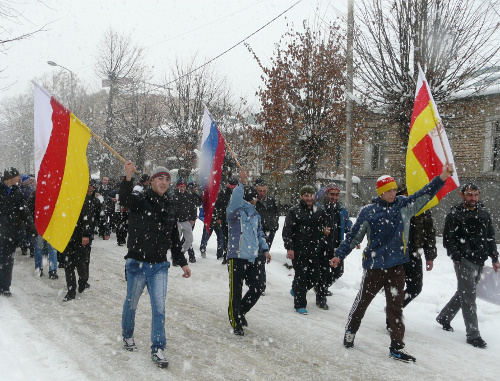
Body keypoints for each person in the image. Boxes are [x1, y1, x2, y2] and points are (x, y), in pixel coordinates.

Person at [330, 164, 454, 363]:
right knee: (362, 303)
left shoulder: (403, 206)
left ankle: (396, 347)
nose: (393, 193)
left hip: (397, 268)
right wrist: (340, 254)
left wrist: (442, 178)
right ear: (380, 192)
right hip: (374, 268)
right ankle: (350, 331)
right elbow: (353, 237)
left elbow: (425, 194)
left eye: (395, 189)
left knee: (396, 308)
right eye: (388, 190)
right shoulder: (368, 212)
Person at [119, 162, 191, 368]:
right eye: (160, 178)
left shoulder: (170, 205)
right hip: (137, 263)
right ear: (152, 181)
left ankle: (158, 348)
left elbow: (174, 238)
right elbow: (124, 199)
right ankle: (127, 335)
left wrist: (182, 262)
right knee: (132, 303)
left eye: (167, 179)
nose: (164, 182)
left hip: (159, 265)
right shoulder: (140, 200)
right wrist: (128, 177)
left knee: (159, 308)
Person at [436, 183, 499, 349]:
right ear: (462, 195)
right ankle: (473, 334)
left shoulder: (484, 213)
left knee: (465, 292)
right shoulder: (455, 214)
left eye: (476, 195)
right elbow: (448, 240)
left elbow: (490, 236)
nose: (473, 198)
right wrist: (457, 256)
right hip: (463, 261)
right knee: (469, 297)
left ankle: (444, 316)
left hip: (480, 260)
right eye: (470, 195)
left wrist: (494, 257)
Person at [385, 187, 437, 331]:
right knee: (396, 287)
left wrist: (430, 256)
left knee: (415, 287)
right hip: (397, 254)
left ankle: (394, 309)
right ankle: (392, 318)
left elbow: (430, 233)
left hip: (414, 254)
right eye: (406, 194)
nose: (409, 196)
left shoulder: (423, 209)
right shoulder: (395, 209)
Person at [226, 171, 270, 336]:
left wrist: (264, 249)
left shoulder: (255, 215)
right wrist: (241, 184)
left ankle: (241, 311)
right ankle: (235, 320)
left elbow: (260, 234)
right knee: (235, 292)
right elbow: (235, 202)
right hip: (236, 257)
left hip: (252, 257)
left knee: (258, 287)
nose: (256, 199)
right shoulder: (235, 214)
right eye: (253, 197)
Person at [282, 185, 328, 315]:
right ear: (301, 196)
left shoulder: (319, 210)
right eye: (306, 195)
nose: (309, 198)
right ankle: (300, 304)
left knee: (315, 276)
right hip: (299, 249)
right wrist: (289, 248)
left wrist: (324, 231)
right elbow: (287, 230)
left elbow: (325, 224)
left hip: (314, 249)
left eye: (311, 195)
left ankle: (296, 289)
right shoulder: (294, 211)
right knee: (301, 277)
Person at [0, 167, 34, 297]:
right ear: (10, 177)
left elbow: (24, 210)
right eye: (17, 176)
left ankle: (5, 286)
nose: (19, 178)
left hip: (11, 233)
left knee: (8, 261)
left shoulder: (17, 192)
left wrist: (32, 226)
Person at [317, 185, 353, 309]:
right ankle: (321, 298)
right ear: (327, 194)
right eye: (332, 194)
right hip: (323, 245)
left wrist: (353, 235)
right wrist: (321, 230)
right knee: (324, 272)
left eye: (337, 195)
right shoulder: (320, 208)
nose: (334, 197)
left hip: (338, 246)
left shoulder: (341, 209)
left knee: (338, 271)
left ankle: (322, 287)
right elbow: (312, 225)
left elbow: (347, 223)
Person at [61, 181, 94, 302]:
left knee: (81, 264)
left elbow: (87, 217)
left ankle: (83, 280)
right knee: (68, 265)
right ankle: (71, 291)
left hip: (80, 237)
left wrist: (86, 234)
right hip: (67, 236)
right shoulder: (64, 197)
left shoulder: (82, 198)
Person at [254, 179, 279, 295]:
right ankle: (259, 284)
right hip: (258, 232)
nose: (262, 193)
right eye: (260, 190)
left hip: (270, 231)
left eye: (264, 191)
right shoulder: (253, 201)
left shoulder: (271, 200)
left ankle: (260, 283)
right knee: (260, 257)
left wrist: (274, 225)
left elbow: (276, 213)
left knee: (263, 256)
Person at [172, 178, 197, 263]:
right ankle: (175, 257)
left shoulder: (189, 195)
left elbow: (193, 208)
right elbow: (171, 209)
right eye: (180, 186)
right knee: (176, 240)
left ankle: (180, 253)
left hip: (186, 221)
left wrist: (193, 218)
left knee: (189, 239)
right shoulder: (174, 195)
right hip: (177, 221)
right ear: (177, 187)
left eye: (183, 186)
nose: (182, 188)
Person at [214, 178, 238, 264]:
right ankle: (226, 255)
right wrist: (219, 217)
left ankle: (234, 256)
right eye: (231, 187)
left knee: (235, 239)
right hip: (226, 219)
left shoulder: (240, 193)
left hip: (236, 220)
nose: (232, 189)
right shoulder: (224, 193)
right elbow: (218, 205)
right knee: (226, 238)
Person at [186, 181, 202, 259]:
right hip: (186, 219)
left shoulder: (195, 195)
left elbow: (200, 202)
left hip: (192, 219)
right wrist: (191, 218)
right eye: (194, 188)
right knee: (187, 238)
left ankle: (179, 252)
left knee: (187, 237)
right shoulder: (188, 196)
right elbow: (189, 208)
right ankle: (191, 255)